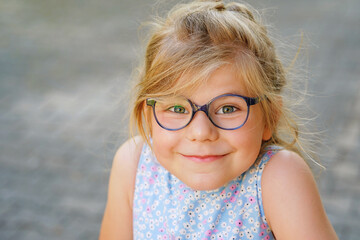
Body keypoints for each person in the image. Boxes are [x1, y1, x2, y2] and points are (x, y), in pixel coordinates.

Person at [99, 0, 338, 239]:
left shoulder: (279, 177)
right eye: (177, 108)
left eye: (227, 108)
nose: (201, 132)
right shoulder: (133, 164)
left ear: (270, 117)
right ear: (147, 115)